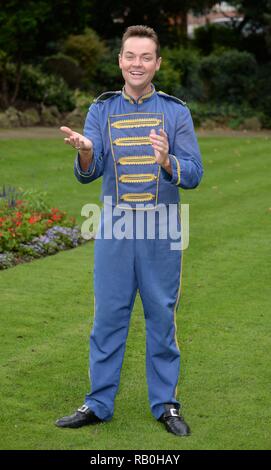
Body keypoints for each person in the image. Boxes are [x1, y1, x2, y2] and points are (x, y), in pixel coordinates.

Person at [56, 25, 203, 437]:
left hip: (162, 231)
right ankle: (98, 403)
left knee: (161, 317)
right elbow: (91, 170)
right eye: (129, 56)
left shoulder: (176, 112)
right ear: (120, 60)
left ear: (157, 63)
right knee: (107, 319)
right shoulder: (101, 111)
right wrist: (86, 151)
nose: (136, 64)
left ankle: (166, 405)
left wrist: (168, 160)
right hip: (115, 230)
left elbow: (194, 173)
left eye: (145, 57)